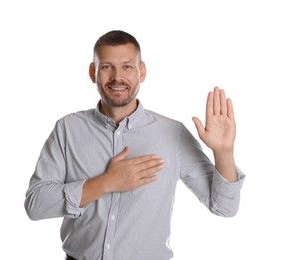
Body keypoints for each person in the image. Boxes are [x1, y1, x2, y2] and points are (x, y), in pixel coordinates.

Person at [24, 30, 245, 260]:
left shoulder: (172, 133)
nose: (117, 77)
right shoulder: (67, 129)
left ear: (142, 72)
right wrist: (106, 182)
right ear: (93, 72)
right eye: (107, 66)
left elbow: (224, 207)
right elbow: (36, 204)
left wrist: (224, 153)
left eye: (127, 67)